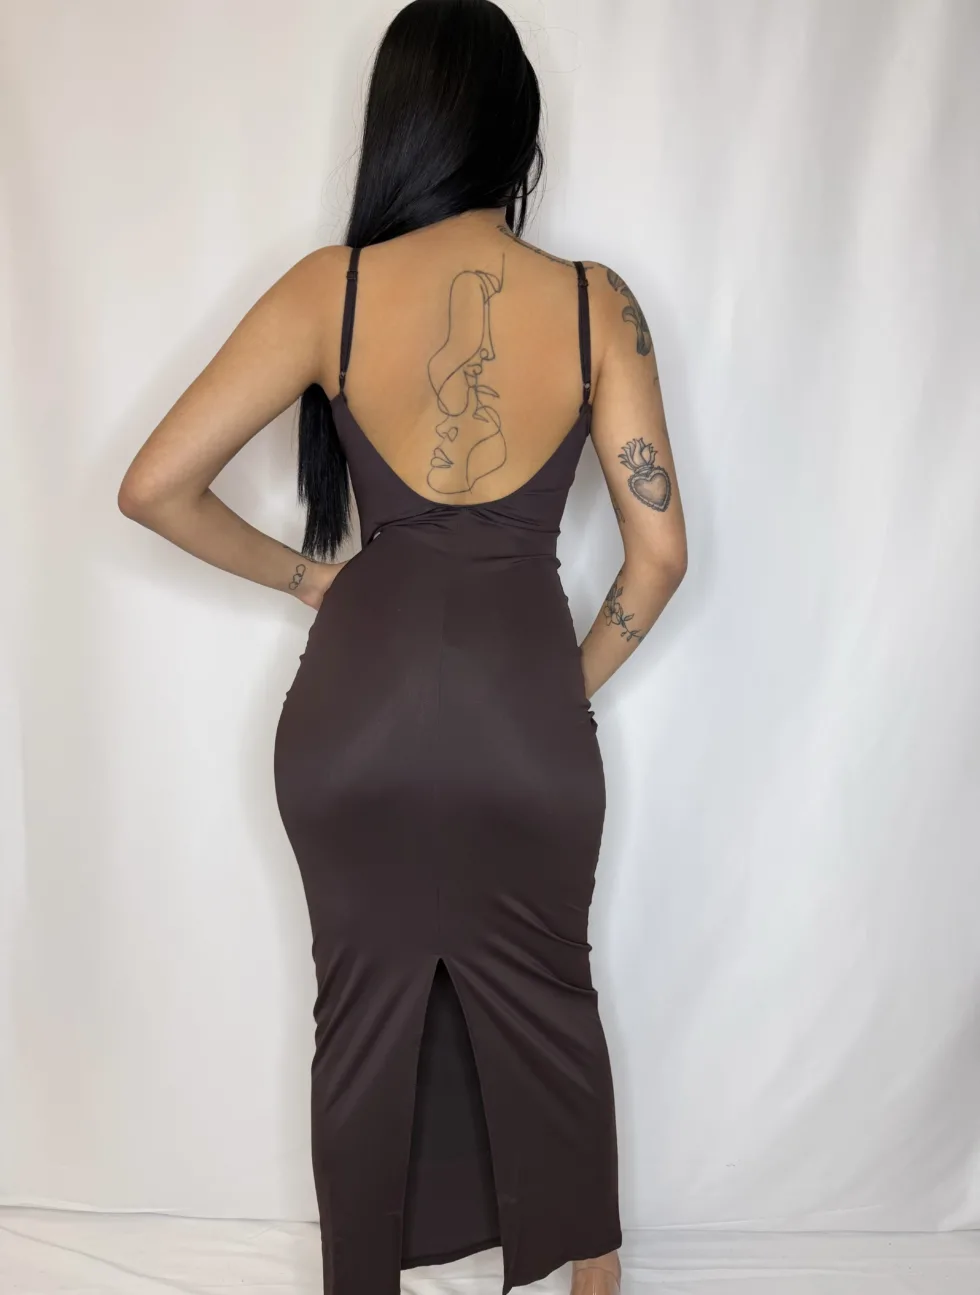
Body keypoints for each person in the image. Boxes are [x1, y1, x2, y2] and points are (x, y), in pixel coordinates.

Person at [117, 1, 688, 1292]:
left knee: (361, 1024)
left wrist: (311, 579)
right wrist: (559, 690)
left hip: (351, 725)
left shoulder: (331, 288)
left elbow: (153, 487)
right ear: (518, 131)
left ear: (399, 126)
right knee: (552, 1009)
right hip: (522, 724)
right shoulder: (596, 304)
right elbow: (659, 556)